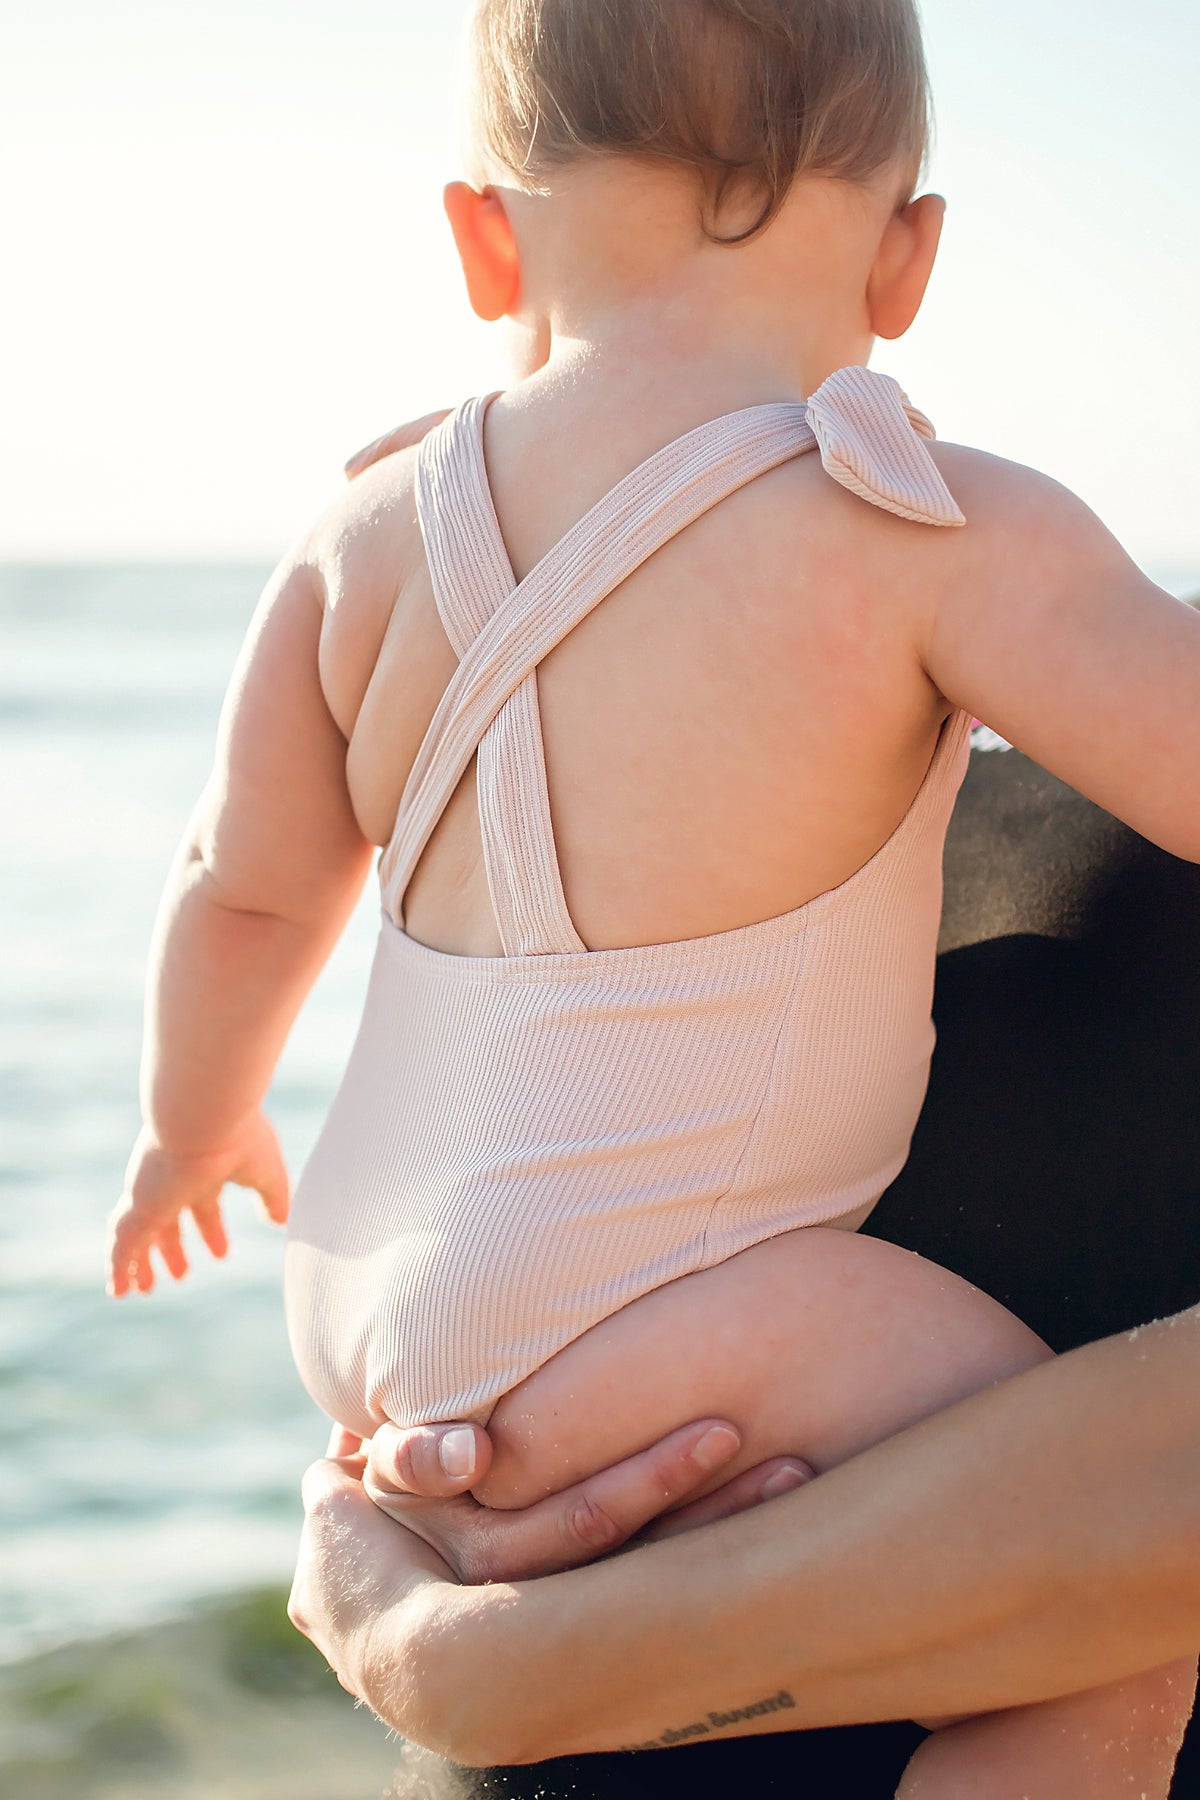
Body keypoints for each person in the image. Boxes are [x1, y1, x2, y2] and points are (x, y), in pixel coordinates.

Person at [107, 0, 1200, 1790]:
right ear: (908, 257)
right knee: (1101, 1630)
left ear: (482, 241)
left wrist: (193, 1128)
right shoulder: (924, 529)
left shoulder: (360, 537)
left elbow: (234, 889)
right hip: (680, 1313)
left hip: (377, 1336)